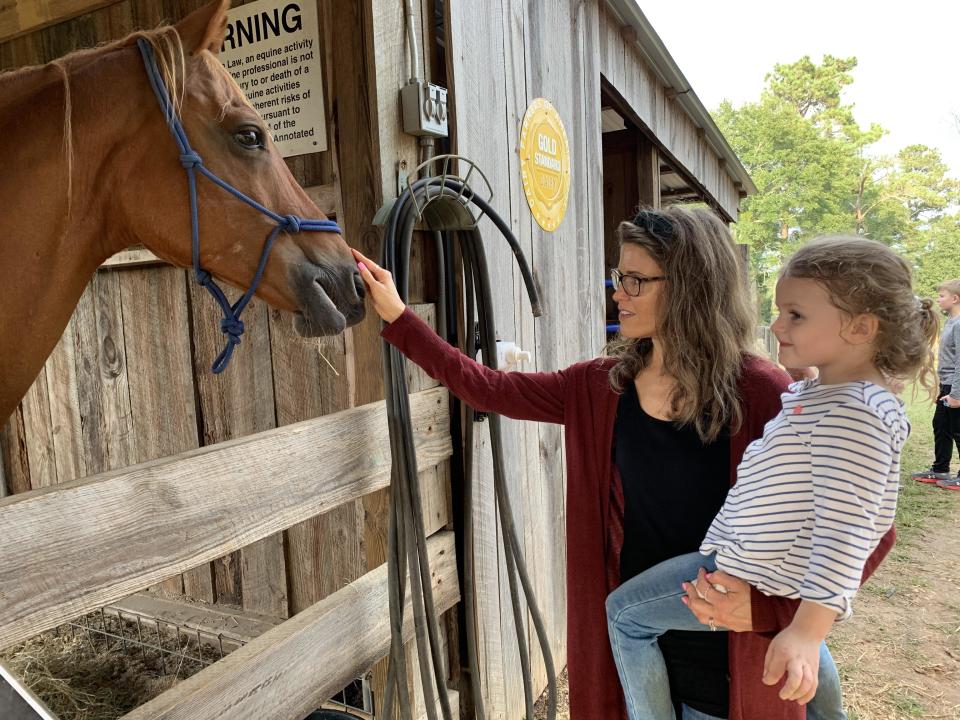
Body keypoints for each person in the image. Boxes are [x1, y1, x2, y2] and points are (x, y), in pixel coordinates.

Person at [353, 208, 896, 720]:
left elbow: (871, 528)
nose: (619, 292)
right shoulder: (597, 386)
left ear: (688, 286)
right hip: (635, 648)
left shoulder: (762, 392)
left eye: (637, 280)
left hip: (732, 665)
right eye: (619, 275)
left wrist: (775, 616)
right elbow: (488, 388)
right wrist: (400, 317)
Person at [605, 235, 939, 720]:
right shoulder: (836, 394)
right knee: (799, 653)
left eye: (796, 315)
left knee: (625, 615)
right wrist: (810, 378)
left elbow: (846, 533)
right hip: (765, 565)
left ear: (861, 328)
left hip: (750, 567)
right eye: (781, 311)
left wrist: (808, 630)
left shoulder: (854, 414)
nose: (777, 324)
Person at [911, 278, 960, 490]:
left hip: (955, 387)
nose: (938, 300)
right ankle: (940, 468)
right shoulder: (951, 321)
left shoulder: (959, 324)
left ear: (955, 298)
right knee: (941, 426)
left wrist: (957, 394)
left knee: (958, 431)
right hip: (946, 385)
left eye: (942, 296)